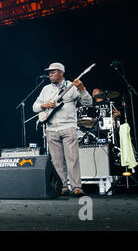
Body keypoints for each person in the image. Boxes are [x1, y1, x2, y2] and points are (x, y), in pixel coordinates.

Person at [32, 63, 92, 197]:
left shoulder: (72, 86)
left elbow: (88, 103)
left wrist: (82, 89)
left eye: (52, 72)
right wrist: (44, 105)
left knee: (72, 159)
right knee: (57, 161)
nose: (49, 75)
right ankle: (62, 186)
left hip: (68, 127)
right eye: (49, 72)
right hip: (51, 129)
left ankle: (76, 187)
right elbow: (34, 107)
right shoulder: (46, 89)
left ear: (61, 72)